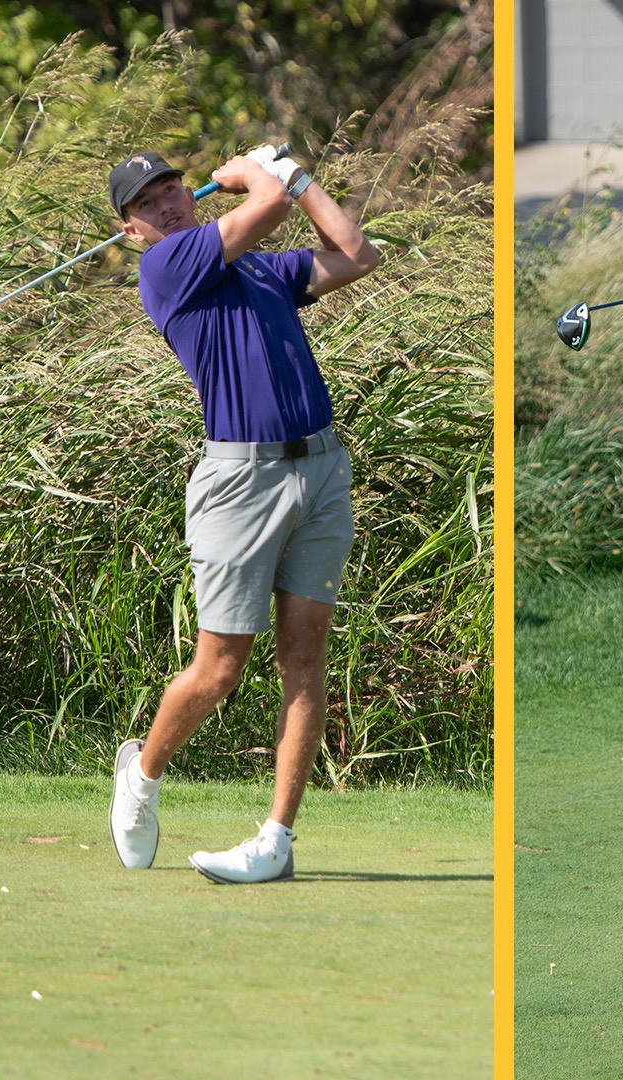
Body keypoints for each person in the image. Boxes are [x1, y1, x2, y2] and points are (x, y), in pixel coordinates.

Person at [103, 145, 382, 884]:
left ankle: (276, 842)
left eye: (172, 189)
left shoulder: (259, 268)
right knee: (221, 668)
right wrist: (258, 176)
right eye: (148, 203)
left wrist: (297, 176)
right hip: (240, 481)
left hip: (320, 469)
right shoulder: (166, 268)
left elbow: (356, 253)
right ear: (132, 229)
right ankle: (143, 775)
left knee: (305, 660)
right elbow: (267, 209)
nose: (167, 204)